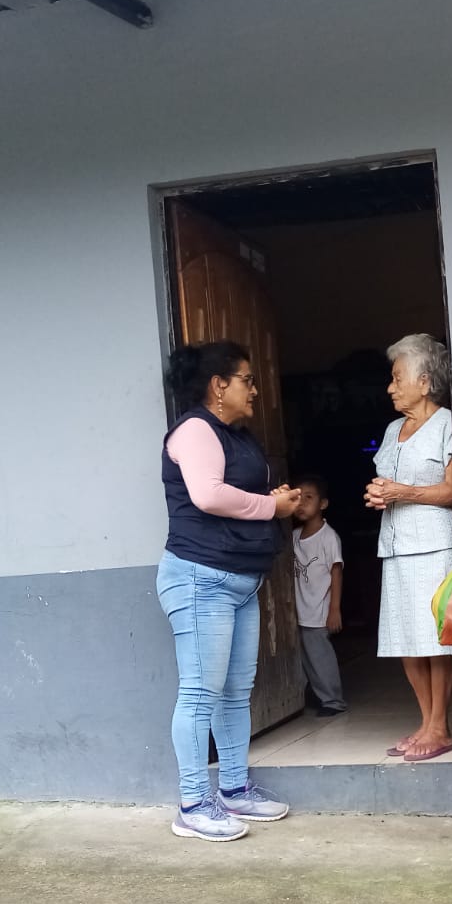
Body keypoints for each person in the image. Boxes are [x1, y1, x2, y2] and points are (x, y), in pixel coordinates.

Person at [157, 342, 299, 843]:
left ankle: (235, 788)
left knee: (236, 692)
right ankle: (194, 803)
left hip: (239, 581)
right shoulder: (195, 430)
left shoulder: (234, 435)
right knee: (200, 692)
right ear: (219, 385)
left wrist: (272, 500)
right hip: (200, 579)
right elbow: (208, 495)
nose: (254, 389)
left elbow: (235, 494)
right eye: (247, 379)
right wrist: (272, 507)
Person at [365, 333, 452, 762]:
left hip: (434, 544)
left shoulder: (447, 424)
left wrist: (401, 492)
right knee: (404, 638)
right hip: (395, 544)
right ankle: (425, 721)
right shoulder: (393, 430)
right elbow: (389, 482)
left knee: (435, 639)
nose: (391, 387)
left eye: (397, 377)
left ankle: (440, 726)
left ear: (424, 382)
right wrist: (378, 494)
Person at [291, 475, 347, 718]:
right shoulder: (294, 536)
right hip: (299, 609)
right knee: (306, 657)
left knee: (320, 656)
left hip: (319, 610)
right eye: (297, 498)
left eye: (309, 497)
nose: (302, 503)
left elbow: (336, 572)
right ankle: (316, 693)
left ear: (323, 504)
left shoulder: (328, 537)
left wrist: (334, 609)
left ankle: (333, 700)